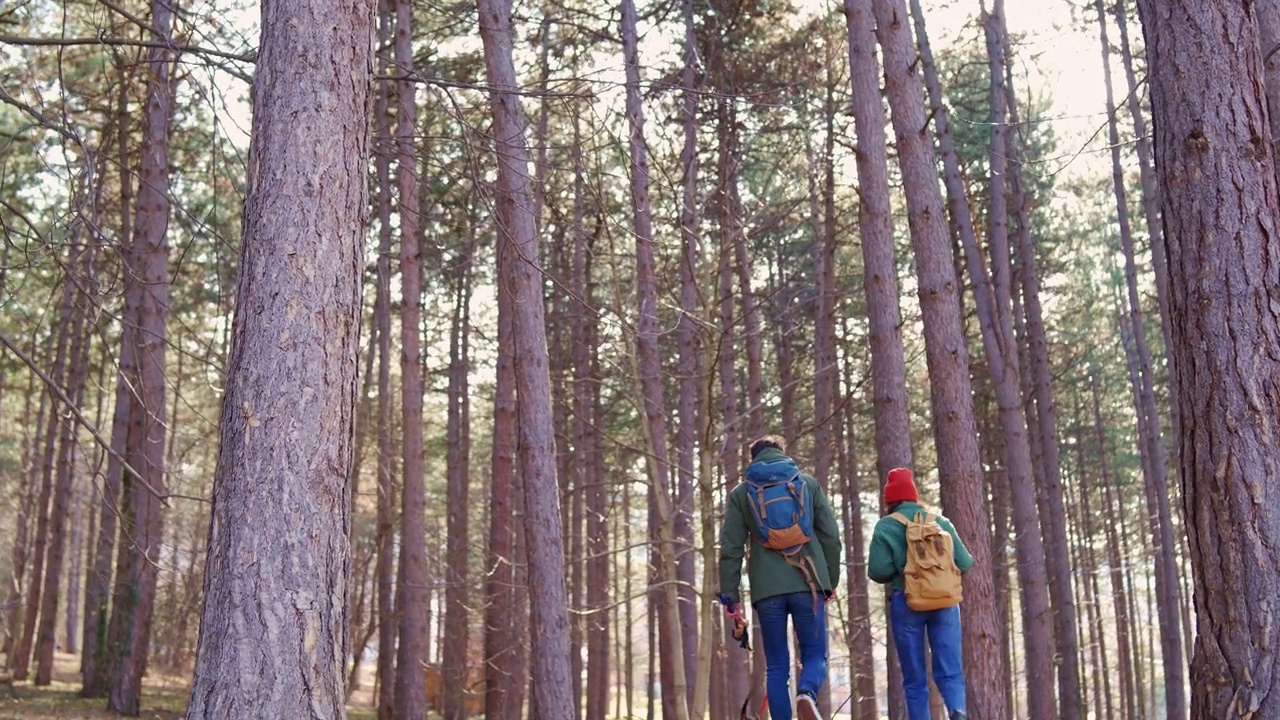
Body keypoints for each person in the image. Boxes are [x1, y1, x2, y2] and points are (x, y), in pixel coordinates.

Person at [719, 435, 842, 720]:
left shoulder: (742, 494)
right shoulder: (807, 484)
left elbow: (731, 549)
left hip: (767, 591)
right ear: (782, 454)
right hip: (809, 584)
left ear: (754, 459)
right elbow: (831, 537)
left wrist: (730, 597)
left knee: (776, 665)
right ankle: (807, 694)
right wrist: (829, 581)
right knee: (814, 654)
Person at [867, 467, 972, 720]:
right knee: (950, 671)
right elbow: (965, 562)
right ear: (914, 495)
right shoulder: (940, 521)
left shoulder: (886, 526)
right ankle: (957, 712)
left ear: (889, 499)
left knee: (914, 678)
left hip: (908, 602)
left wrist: (901, 568)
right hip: (945, 602)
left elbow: (878, 571)